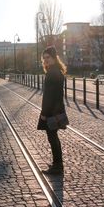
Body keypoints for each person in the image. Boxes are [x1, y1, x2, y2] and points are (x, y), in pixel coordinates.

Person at [37, 46, 67, 175]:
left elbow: (49, 96)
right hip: (56, 109)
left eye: (48, 57)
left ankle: (57, 166)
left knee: (53, 138)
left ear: (54, 58)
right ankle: (57, 163)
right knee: (53, 137)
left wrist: (44, 113)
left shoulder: (52, 73)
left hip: (51, 111)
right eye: (44, 58)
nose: (46, 60)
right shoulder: (57, 71)